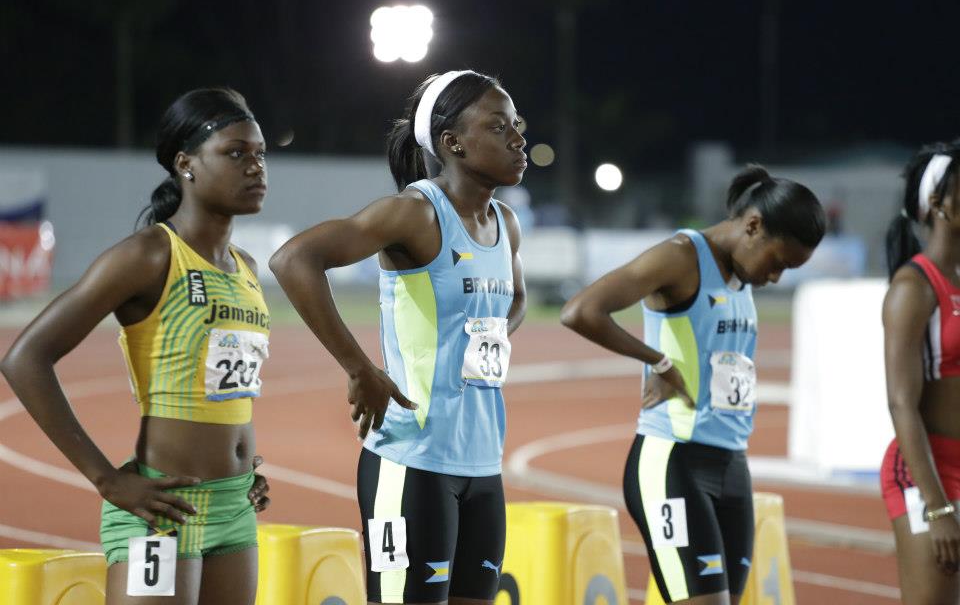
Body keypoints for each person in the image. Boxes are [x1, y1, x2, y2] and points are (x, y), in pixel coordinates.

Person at [1, 87, 272, 604]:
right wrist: (106, 479)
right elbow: (25, 358)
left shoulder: (246, 269)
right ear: (186, 164)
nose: (255, 166)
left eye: (260, 153)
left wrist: (243, 467)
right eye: (236, 153)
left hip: (236, 506)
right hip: (162, 507)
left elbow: (223, 388)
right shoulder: (149, 256)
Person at [269, 70, 527, 604]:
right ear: (453, 143)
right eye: (499, 127)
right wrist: (358, 367)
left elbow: (515, 298)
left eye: (517, 125)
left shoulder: (505, 223)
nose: (517, 139)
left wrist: (489, 334)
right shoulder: (415, 214)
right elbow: (294, 260)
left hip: (483, 465)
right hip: (412, 462)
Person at [561, 166, 824, 605]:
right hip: (673, 460)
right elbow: (582, 311)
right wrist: (659, 362)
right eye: (777, 262)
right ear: (753, 226)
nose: (776, 277)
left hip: (731, 464)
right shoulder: (682, 257)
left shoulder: (741, 272)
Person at [882, 143, 960, 604]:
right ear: (937, 203)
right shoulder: (914, 286)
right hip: (928, 474)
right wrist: (938, 508)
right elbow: (901, 403)